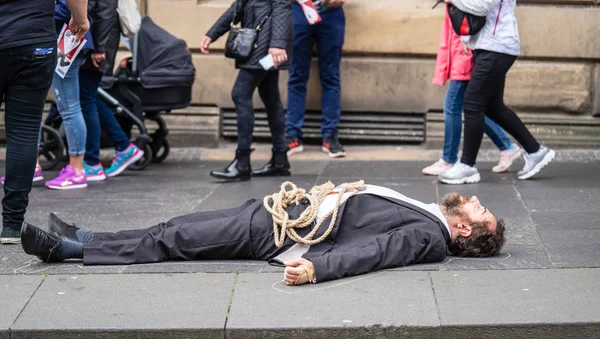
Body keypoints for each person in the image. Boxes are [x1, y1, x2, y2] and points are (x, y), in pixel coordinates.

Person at [20, 181, 505, 285]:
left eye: (481, 211)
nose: (477, 200)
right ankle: (85, 235)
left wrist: (318, 268)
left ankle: (68, 251)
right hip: (287, 211)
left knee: (176, 239)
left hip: (280, 233)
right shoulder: (430, 214)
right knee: (178, 228)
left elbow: (378, 252)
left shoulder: (429, 236)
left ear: (463, 231)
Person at [0, 0, 89, 244]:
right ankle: (11, 224)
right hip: (34, 39)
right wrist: (80, 18)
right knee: (24, 132)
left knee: (25, 132)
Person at [438, 0, 555, 184]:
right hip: (488, 45)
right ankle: (535, 151)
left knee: (472, 104)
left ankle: (467, 165)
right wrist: (466, 39)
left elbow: (482, 6)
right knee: (493, 107)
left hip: (498, 46)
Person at [201, 0, 293, 181]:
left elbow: (282, 5)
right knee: (270, 97)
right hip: (259, 40)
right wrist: (213, 33)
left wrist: (277, 43)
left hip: (265, 43)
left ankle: (242, 162)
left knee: (240, 93)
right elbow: (239, 5)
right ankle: (280, 160)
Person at [422, 6, 521, 176]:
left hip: (465, 51)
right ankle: (507, 146)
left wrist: (466, 39)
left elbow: (476, 12)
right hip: (462, 49)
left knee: (454, 105)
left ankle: (449, 159)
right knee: (472, 109)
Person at [79, 0, 143, 182]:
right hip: (95, 42)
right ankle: (123, 146)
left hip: (97, 45)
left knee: (86, 98)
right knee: (87, 97)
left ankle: (93, 162)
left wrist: (98, 47)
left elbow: (105, 11)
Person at [44, 0, 96, 190]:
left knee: (69, 105)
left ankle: (76, 170)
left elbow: (70, 7)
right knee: (68, 105)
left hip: (67, 36)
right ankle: (75, 168)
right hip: (66, 35)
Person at [285, 0, 347, 159]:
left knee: (331, 76)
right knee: (296, 76)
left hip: (331, 11)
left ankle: (330, 135)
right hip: (299, 9)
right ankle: (292, 135)